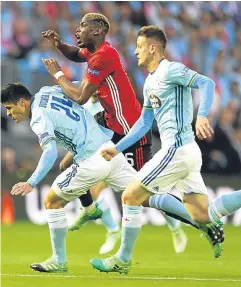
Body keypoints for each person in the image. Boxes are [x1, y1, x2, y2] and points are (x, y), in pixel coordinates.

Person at [90, 26, 241, 274]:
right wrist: (117, 148)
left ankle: (123, 259)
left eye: (139, 46)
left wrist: (202, 116)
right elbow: (144, 123)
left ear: (152, 48)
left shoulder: (171, 69)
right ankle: (204, 226)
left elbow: (207, 83)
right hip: (187, 153)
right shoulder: (150, 81)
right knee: (205, 214)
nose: (135, 51)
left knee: (129, 196)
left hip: (177, 150)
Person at [41, 12, 188, 254]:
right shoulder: (93, 52)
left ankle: (185, 222)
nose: (77, 30)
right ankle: (90, 211)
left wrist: (58, 74)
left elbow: (80, 96)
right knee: (67, 164)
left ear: (97, 31)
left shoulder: (104, 56)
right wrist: (58, 44)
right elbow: (75, 55)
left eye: (82, 26)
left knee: (145, 189)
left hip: (130, 130)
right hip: (109, 127)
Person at [1, 82, 136, 272]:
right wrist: (96, 86)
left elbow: (49, 152)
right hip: (109, 149)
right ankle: (193, 217)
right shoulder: (47, 90)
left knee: (52, 201)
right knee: (144, 193)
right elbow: (78, 86)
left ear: (22, 102)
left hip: (91, 158)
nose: (8, 114)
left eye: (9, 108)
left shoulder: (38, 118)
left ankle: (59, 260)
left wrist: (31, 182)